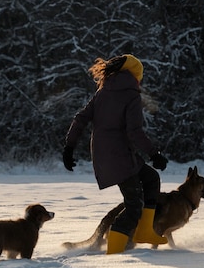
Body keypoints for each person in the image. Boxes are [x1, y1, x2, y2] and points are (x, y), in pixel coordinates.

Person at [62, 54, 169, 254]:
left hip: (106, 154)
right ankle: (114, 254)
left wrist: (69, 148)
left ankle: (144, 231)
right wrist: (154, 154)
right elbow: (134, 132)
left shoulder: (103, 93)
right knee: (133, 205)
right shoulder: (131, 95)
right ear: (136, 75)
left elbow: (80, 118)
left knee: (151, 178)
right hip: (120, 156)